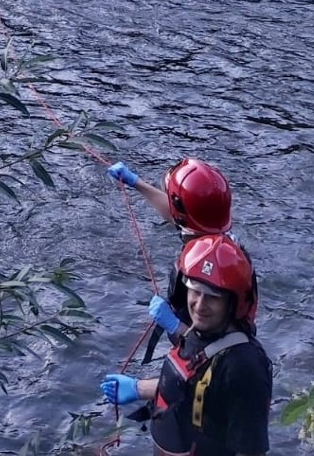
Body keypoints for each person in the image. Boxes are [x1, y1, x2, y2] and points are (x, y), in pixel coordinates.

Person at [100, 233, 271, 456]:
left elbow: (251, 451)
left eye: (212, 296)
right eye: (195, 291)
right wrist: (138, 388)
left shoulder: (244, 367)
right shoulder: (203, 332)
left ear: (232, 303)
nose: (199, 305)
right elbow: (196, 387)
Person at [107, 157, 235, 343]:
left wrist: (175, 326)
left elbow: (215, 350)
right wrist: (136, 182)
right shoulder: (215, 231)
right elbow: (180, 214)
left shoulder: (211, 271)